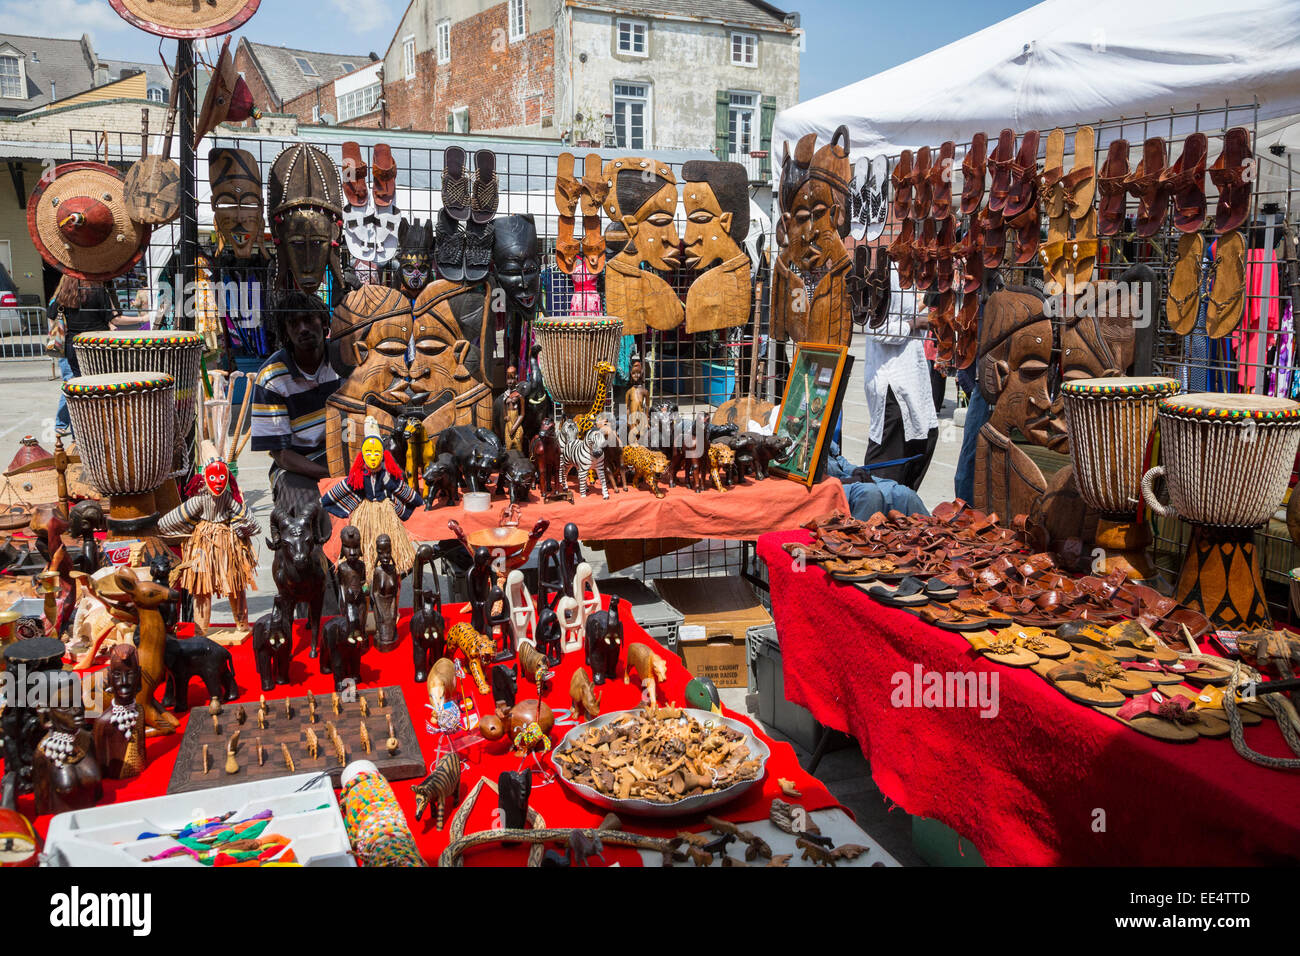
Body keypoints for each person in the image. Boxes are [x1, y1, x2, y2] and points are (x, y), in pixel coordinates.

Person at [250, 291, 341, 524]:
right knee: (306, 516)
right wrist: (331, 475)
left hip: (346, 456)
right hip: (297, 466)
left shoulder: (344, 360)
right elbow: (282, 455)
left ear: (324, 322)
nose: (303, 328)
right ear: (285, 333)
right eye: (294, 324)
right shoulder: (272, 379)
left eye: (309, 319)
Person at [859, 265, 940, 490]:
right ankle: (875, 514)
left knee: (925, 440)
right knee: (885, 470)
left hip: (911, 379)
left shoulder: (911, 278)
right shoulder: (887, 277)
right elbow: (876, 330)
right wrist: (918, 323)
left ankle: (899, 510)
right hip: (892, 384)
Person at [51, 276, 121, 438]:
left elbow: (51, 315)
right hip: (96, 346)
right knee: (100, 389)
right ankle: (101, 431)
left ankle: (78, 435)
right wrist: (143, 319)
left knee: (78, 390)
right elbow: (114, 318)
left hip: (73, 346)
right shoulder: (98, 292)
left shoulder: (64, 294)